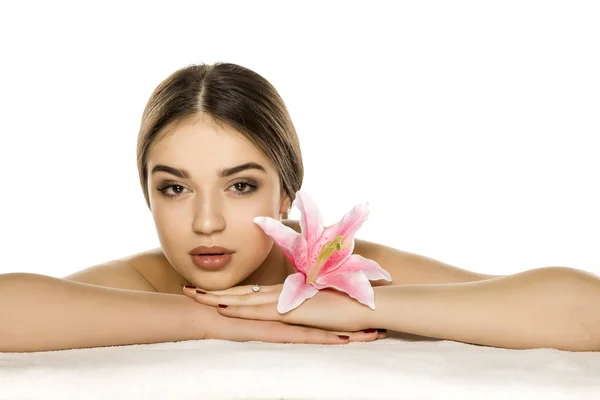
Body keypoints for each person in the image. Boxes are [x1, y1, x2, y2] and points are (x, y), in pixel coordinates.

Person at [1, 63, 598, 353]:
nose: (206, 223)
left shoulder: (344, 267)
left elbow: (585, 310)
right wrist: (209, 320)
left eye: (240, 186)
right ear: (147, 194)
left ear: (287, 193)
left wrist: (342, 304)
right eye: (175, 188)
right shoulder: (138, 283)